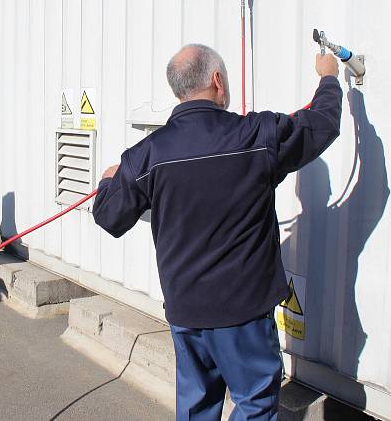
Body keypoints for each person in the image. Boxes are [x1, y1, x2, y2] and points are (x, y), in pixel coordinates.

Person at [92, 44, 341, 420]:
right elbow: (322, 122)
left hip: (186, 313)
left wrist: (109, 180)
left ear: (179, 90)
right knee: (255, 404)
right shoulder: (258, 136)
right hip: (244, 314)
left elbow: (110, 217)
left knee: (196, 407)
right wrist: (328, 78)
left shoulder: (146, 155)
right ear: (217, 80)